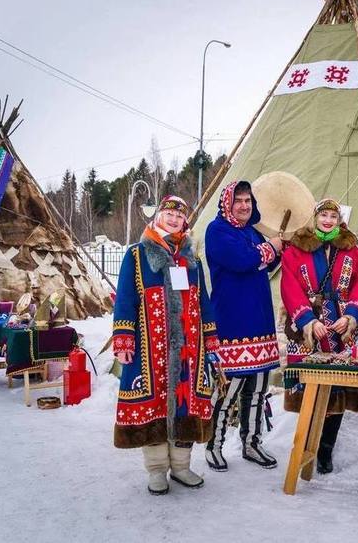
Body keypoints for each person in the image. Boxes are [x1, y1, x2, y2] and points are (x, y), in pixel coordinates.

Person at [112, 195, 220, 495]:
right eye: (168, 214)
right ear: (158, 216)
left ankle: (182, 466)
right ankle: (157, 469)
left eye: (179, 216)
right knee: (155, 403)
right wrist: (123, 338)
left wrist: (210, 338)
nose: (173, 219)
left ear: (185, 222)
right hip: (150, 346)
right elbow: (125, 299)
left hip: (188, 347)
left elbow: (203, 301)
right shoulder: (136, 254)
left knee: (185, 402)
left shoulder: (191, 259)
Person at [280, 198, 358, 474]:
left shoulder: (355, 253)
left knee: (337, 390)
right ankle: (308, 444)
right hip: (309, 329)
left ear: (340, 219)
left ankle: (326, 450)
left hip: (341, 329)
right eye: (324, 215)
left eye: (333, 215)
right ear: (315, 217)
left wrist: (351, 317)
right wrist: (308, 321)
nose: (328, 220)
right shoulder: (296, 251)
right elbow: (289, 286)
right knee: (311, 390)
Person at [204, 181, 283, 472]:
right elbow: (241, 260)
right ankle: (214, 444)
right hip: (233, 323)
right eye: (238, 200)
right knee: (230, 387)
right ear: (228, 203)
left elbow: (263, 266)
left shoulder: (251, 231)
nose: (244, 205)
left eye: (248, 200)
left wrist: (276, 254)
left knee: (259, 388)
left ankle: (251, 442)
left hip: (260, 321)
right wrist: (270, 249)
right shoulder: (217, 230)